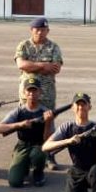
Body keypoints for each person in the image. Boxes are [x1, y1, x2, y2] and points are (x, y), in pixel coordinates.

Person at [41, 92, 96, 192]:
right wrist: (68, 141)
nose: (81, 107)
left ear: (89, 107)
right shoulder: (67, 127)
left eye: (84, 104)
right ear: (73, 108)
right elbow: (45, 146)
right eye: (77, 105)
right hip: (77, 171)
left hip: (92, 171)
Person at [14, 17, 63, 170]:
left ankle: (49, 155)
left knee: (48, 124)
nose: (40, 32)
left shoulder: (54, 47)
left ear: (47, 31)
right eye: (37, 30)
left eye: (43, 30)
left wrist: (32, 66)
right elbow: (21, 64)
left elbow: (55, 68)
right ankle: (24, 153)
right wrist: (43, 65)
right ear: (31, 30)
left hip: (47, 94)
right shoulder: (23, 45)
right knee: (26, 125)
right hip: (27, 94)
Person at [0, 76, 54, 187]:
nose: (32, 93)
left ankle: (38, 172)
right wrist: (19, 124)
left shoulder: (46, 112)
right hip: (22, 145)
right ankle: (24, 166)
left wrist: (48, 122)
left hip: (39, 145)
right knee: (15, 182)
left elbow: (48, 140)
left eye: (34, 90)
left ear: (40, 92)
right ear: (24, 93)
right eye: (29, 90)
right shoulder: (18, 111)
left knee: (38, 153)